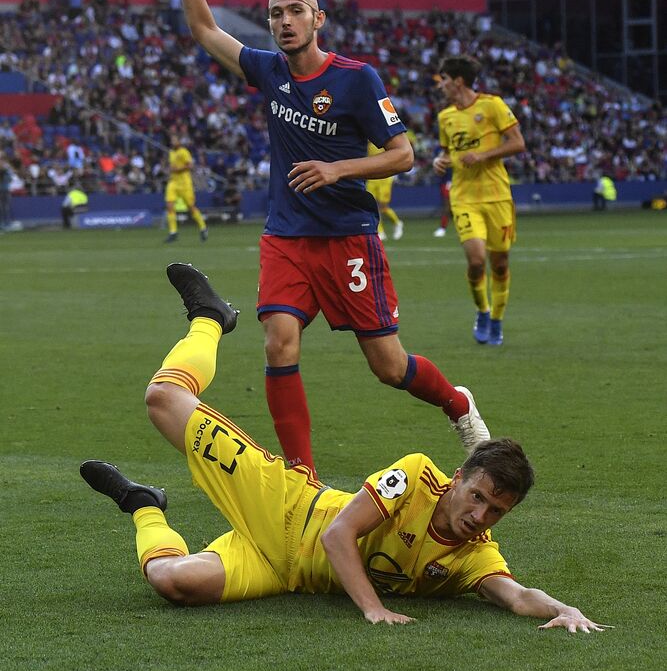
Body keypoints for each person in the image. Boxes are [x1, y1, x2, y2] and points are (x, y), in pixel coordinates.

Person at [80, 263, 610, 633]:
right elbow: (337, 536)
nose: (481, 515)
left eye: (496, 510)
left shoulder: (473, 556)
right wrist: (373, 609)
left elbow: (517, 596)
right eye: (478, 496)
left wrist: (563, 608)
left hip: (282, 572)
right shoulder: (418, 476)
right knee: (163, 399)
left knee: (173, 582)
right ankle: (211, 319)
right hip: (285, 507)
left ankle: (144, 506)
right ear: (458, 477)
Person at [165, 0, 489, 475]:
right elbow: (203, 28)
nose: (284, 21)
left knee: (388, 367)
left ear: (318, 20)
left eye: (296, 11)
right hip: (287, 235)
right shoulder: (268, 70)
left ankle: (456, 401)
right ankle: (301, 475)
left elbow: (404, 154)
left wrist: (338, 169)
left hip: (347, 237)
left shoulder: (357, 79)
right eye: (275, 14)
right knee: (278, 344)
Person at [433, 56, 526, 347]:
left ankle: (497, 319)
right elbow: (449, 153)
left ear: (458, 80)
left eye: (444, 80)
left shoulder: (492, 105)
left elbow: (518, 142)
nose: (442, 86)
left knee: (499, 264)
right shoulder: (445, 117)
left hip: (497, 196)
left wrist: (483, 156)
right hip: (464, 197)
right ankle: (482, 312)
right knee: (476, 262)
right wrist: (441, 161)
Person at [164, 131, 208, 243]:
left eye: (174, 140)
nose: (172, 142)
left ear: (179, 141)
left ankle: (203, 228)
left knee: (191, 207)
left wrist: (177, 169)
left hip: (185, 183)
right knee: (169, 205)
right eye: (171, 140)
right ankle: (173, 232)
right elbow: (172, 166)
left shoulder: (184, 152)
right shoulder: (171, 152)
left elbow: (190, 165)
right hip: (173, 182)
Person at [366, 141, 403, 241]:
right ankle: (380, 231)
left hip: (385, 177)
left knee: (383, 207)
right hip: (372, 177)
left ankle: (397, 223)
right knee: (372, 206)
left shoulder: (384, 140)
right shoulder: (368, 143)